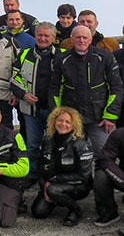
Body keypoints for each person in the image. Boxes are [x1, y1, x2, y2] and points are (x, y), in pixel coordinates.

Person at [50, 24, 122, 153]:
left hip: (99, 119)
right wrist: (57, 115)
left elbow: (116, 87)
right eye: (78, 37)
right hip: (71, 118)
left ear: (90, 40)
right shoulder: (62, 59)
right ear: (72, 39)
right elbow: (55, 89)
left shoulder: (105, 57)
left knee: (104, 154)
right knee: (70, 154)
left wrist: (110, 116)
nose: (81, 40)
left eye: (85, 37)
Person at [11, 22, 59, 181]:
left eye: (46, 36)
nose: (43, 38)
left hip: (55, 110)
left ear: (53, 38)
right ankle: (31, 174)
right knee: (32, 145)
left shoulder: (61, 56)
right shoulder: (25, 54)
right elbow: (14, 78)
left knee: (55, 144)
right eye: (40, 35)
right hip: (31, 109)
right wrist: (24, 94)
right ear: (35, 36)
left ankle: (52, 175)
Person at [30, 107, 93, 227]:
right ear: (53, 121)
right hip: (52, 183)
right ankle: (56, 197)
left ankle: (75, 209)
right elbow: (40, 166)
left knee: (53, 190)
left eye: (68, 122)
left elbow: (83, 175)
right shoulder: (48, 138)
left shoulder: (81, 142)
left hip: (77, 184)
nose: (63, 124)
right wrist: (44, 186)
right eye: (60, 120)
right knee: (38, 212)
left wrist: (53, 181)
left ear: (74, 124)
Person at [94, 127, 124, 227]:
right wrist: (121, 179)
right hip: (122, 178)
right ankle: (109, 211)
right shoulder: (119, 134)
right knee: (101, 175)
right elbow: (105, 159)